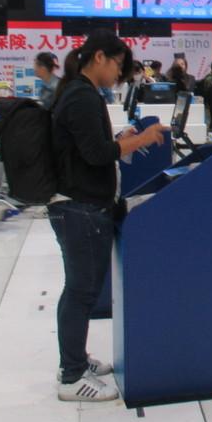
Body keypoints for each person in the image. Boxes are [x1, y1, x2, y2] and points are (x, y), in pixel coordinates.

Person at [49, 31, 169, 402]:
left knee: (79, 289)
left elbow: (89, 148)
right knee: (81, 290)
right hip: (80, 207)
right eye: (118, 64)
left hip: (81, 205)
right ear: (99, 57)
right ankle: (72, 377)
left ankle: (75, 361)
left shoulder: (79, 92)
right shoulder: (82, 96)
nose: (119, 73)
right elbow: (98, 154)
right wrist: (142, 139)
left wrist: (121, 137)